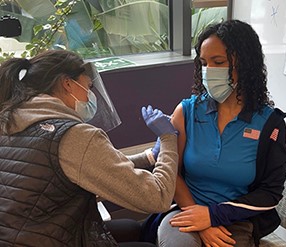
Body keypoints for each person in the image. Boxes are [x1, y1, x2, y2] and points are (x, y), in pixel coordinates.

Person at [0, 50, 179, 246]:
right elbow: (157, 198)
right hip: (49, 237)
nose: (90, 95)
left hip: (22, 232)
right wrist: (168, 139)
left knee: (131, 228)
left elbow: (77, 169)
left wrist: (149, 157)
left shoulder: (10, 119)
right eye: (88, 86)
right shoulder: (74, 135)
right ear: (67, 83)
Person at [156, 19, 286, 247]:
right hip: (185, 210)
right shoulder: (186, 112)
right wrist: (201, 218)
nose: (208, 71)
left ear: (245, 63)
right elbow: (171, 173)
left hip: (235, 220)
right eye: (203, 63)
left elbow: (271, 192)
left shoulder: (271, 125)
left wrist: (213, 216)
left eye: (218, 62)